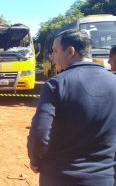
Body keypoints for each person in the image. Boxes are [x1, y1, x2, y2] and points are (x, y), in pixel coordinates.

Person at [27, 29, 116, 186]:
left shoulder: (56, 84)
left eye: (55, 51)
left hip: (58, 177)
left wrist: (35, 160)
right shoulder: (113, 82)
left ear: (70, 51)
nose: (52, 58)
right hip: (103, 177)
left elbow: (39, 133)